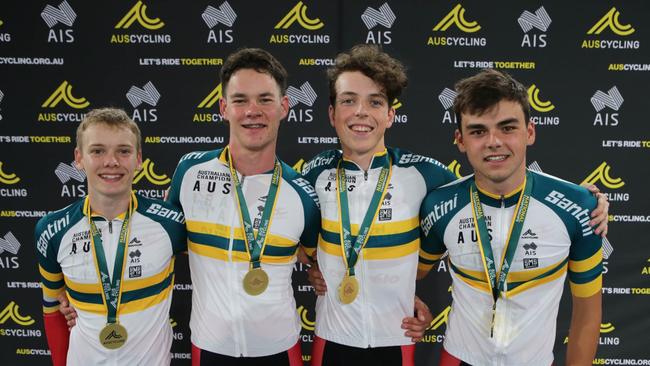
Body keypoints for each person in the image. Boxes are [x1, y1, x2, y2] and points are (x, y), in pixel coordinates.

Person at [418, 69, 603, 365]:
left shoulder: (579, 208)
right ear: (460, 140)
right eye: (478, 131)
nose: (493, 142)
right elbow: (405, 272)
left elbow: (587, 316)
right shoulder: (440, 204)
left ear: (529, 132)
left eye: (507, 128)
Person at [166, 48, 320, 365]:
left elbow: (323, 261)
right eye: (240, 100)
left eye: (265, 99)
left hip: (280, 350)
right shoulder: (189, 172)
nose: (253, 110)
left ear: (284, 107)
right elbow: (163, 245)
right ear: (224, 108)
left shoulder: (302, 193)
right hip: (208, 349)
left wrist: (400, 296)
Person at [300, 45, 452, 366]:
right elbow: (277, 230)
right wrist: (314, 265)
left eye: (375, 102)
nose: (361, 112)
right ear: (331, 113)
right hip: (332, 340)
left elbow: (489, 196)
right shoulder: (313, 172)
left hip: (396, 340)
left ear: (390, 115)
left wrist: (583, 199)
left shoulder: (423, 174)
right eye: (349, 100)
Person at [36, 108, 187, 365]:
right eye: (97, 151)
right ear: (79, 158)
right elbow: (52, 309)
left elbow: (218, 269)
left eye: (123, 151)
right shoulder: (53, 230)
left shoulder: (171, 222)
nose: (111, 161)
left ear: (138, 159)